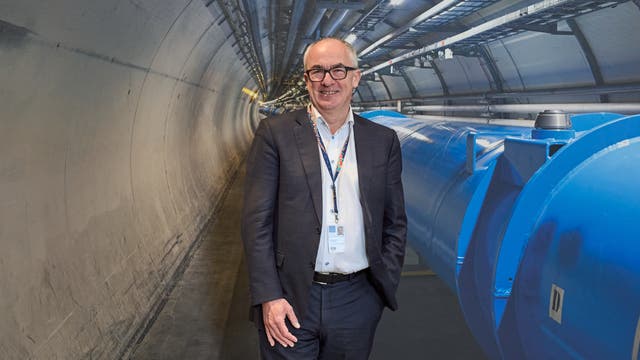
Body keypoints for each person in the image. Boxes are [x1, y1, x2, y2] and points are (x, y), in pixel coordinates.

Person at [241, 37, 407, 359]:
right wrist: (269, 296)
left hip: (357, 298)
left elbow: (394, 222)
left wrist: (378, 290)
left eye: (338, 70)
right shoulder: (275, 134)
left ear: (355, 78)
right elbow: (256, 223)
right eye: (317, 71)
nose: (327, 80)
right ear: (306, 80)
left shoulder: (381, 141)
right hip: (290, 298)